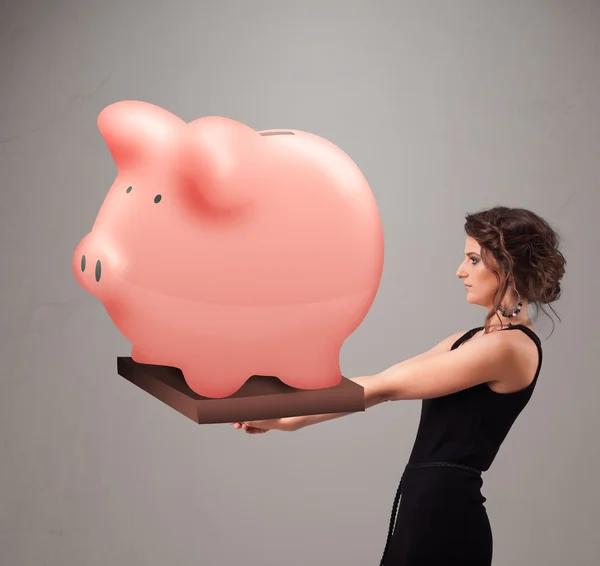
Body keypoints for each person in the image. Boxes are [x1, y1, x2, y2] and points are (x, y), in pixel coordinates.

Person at [232, 206, 566, 566]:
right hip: (423, 510)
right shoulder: (469, 339)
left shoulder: (509, 348)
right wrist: (285, 415)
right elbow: (376, 381)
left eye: (473, 260)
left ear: (509, 267)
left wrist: (283, 413)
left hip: (446, 520)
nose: (459, 271)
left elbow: (382, 389)